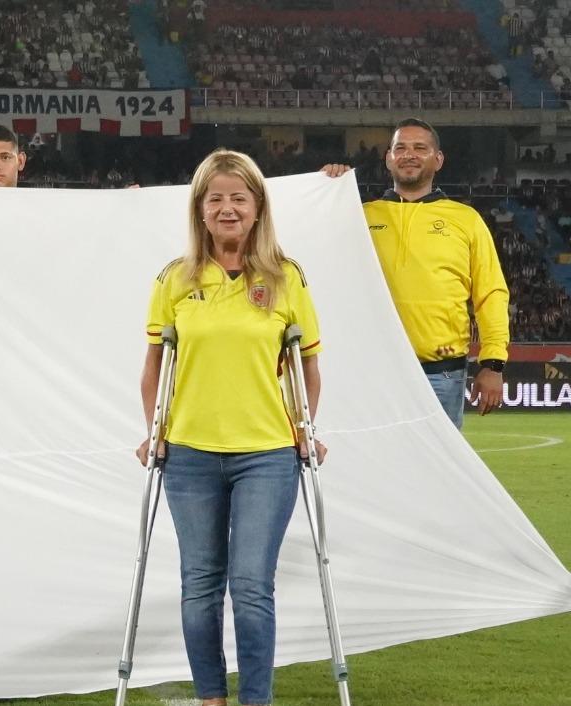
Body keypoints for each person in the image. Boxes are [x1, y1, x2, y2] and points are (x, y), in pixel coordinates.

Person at [138, 148, 325, 706]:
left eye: (238, 198)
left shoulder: (285, 277)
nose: (226, 208)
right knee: (199, 589)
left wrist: (304, 426)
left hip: (266, 455)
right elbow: (154, 366)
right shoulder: (176, 278)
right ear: (199, 209)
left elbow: (307, 365)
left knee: (250, 588)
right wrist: (156, 428)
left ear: (257, 206)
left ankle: (256, 700)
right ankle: (211, 698)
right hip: (190, 454)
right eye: (215, 198)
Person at [322, 118, 509, 427]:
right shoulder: (357, 215)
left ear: (438, 159)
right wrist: (326, 191)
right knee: (375, 468)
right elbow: (320, 265)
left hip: (441, 373)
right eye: (401, 148)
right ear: (388, 158)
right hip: (373, 372)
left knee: (437, 473)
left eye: (420, 148)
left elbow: (491, 295)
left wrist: (492, 364)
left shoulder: (466, 219)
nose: (409, 154)